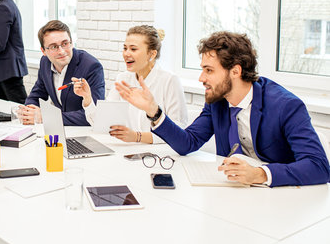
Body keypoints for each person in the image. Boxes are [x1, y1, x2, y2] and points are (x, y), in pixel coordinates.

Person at [116, 31, 330, 187]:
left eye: (209, 70)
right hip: (233, 194)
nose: (201, 78)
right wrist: (154, 111)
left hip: (281, 199)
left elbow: (318, 166)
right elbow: (187, 143)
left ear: (235, 71)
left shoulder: (286, 106)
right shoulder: (217, 102)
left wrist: (259, 174)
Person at [74, 25, 187, 143]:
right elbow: (103, 124)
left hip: (159, 156)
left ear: (152, 54)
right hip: (128, 151)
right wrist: (87, 98)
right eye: (125, 48)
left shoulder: (170, 81)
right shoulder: (122, 78)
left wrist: (137, 137)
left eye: (133, 49)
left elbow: (178, 131)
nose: (126, 54)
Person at [22, 20, 105, 126]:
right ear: (43, 51)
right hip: (60, 130)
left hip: (84, 132)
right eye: (53, 47)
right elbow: (36, 95)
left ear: (71, 43)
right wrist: (29, 112)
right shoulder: (45, 62)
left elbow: (94, 114)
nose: (61, 51)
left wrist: (47, 117)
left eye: (65, 44)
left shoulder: (91, 66)